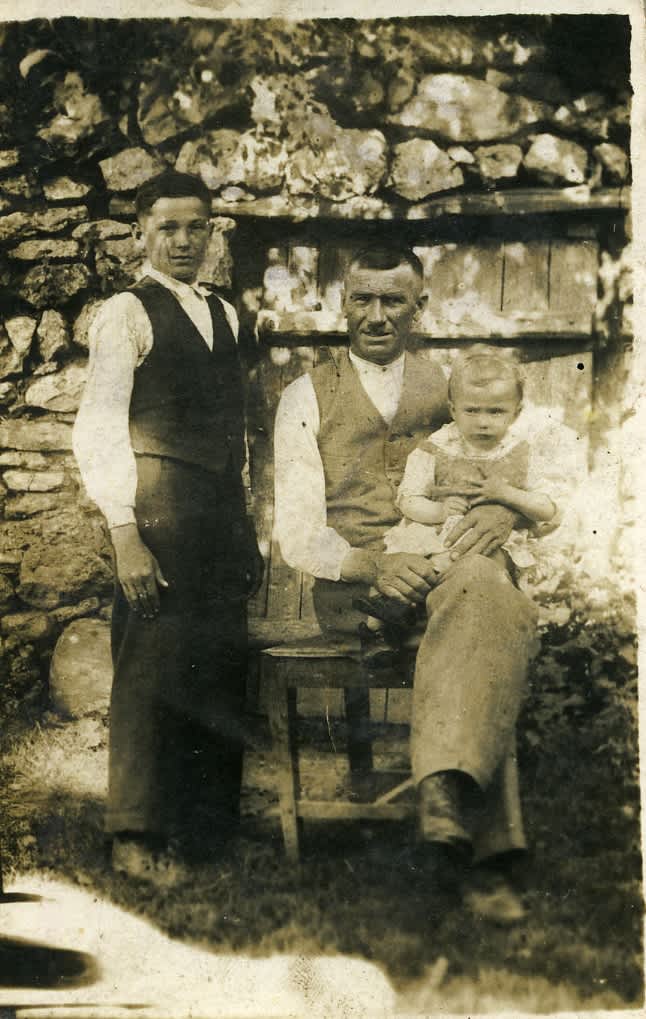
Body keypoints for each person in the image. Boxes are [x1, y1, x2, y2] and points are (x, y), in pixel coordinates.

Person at [274, 245, 577, 924]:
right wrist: (370, 563)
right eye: (363, 299)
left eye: (393, 301)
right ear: (341, 302)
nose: (377, 316)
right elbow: (296, 531)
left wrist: (504, 506)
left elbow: (539, 466)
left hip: (454, 577)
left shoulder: (461, 388)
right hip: (359, 596)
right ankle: (486, 857)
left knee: (482, 596)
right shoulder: (304, 395)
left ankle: (444, 804)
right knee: (490, 603)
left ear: (420, 308)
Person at [73, 170, 262, 882]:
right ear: (141, 235)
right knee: (152, 662)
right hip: (156, 506)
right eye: (169, 228)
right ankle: (136, 833)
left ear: (213, 233)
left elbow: (237, 430)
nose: (185, 241)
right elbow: (98, 428)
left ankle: (206, 827)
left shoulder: (228, 315)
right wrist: (125, 533)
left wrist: (246, 525)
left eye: (198, 227)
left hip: (219, 511)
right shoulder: (126, 312)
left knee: (214, 662)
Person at [355, 351, 561, 664]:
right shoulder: (437, 447)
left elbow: (548, 509)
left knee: (482, 574)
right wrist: (438, 511)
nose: (482, 422)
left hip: (492, 544)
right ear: (453, 408)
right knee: (413, 567)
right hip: (440, 533)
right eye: (471, 410)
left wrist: (507, 494)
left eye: (496, 412)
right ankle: (377, 628)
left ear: (516, 412)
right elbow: (408, 498)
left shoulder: (523, 452)